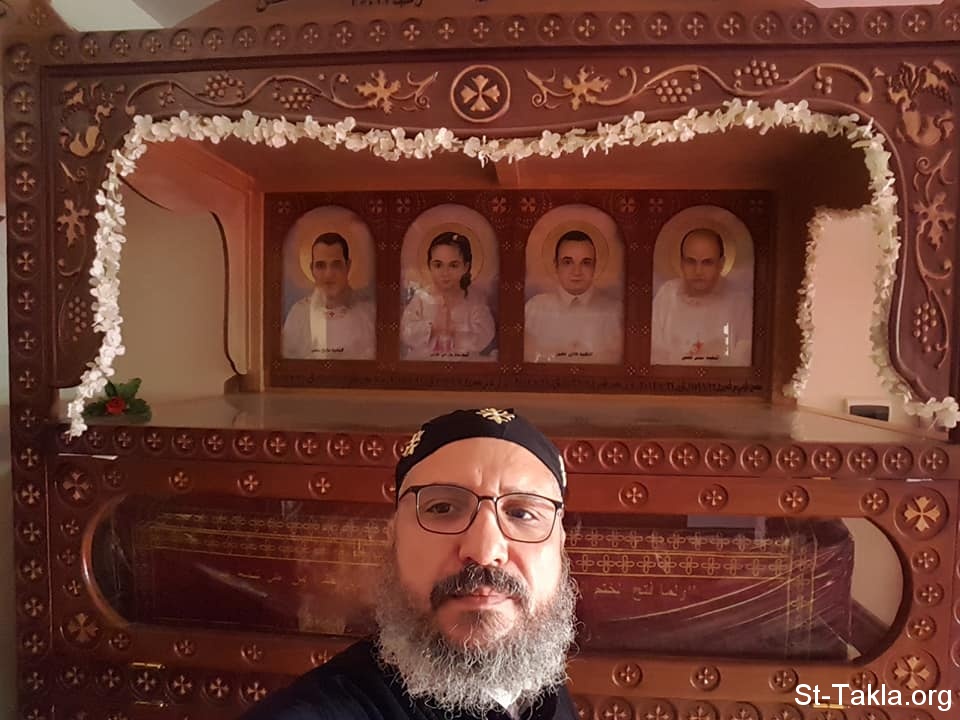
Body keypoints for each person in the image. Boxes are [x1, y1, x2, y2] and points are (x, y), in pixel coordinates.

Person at [241, 408, 579, 720]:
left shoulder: (535, 679)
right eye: (442, 508)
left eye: (522, 513)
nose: (484, 550)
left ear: (560, 543)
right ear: (394, 538)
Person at [650, 227, 753, 366]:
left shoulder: (739, 302)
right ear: (681, 263)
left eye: (707, 262)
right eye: (691, 261)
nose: (698, 271)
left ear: (721, 264)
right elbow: (653, 352)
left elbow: (744, 358)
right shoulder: (667, 295)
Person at [524, 230, 623, 363]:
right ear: (556, 265)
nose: (577, 272)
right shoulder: (534, 308)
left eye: (585, 263)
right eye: (567, 262)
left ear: (595, 267)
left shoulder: (615, 311)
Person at [400, 232, 496, 360]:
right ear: (429, 265)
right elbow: (406, 331)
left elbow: (485, 333)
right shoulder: (421, 298)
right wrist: (433, 328)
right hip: (425, 363)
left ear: (466, 267)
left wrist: (455, 330)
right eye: (438, 265)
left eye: (453, 265)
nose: (445, 273)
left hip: (464, 363)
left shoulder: (475, 299)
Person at [282, 233, 376, 360]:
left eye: (336, 265)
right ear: (312, 269)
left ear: (348, 266)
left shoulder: (369, 314)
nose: (328, 274)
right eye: (321, 265)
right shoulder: (298, 314)